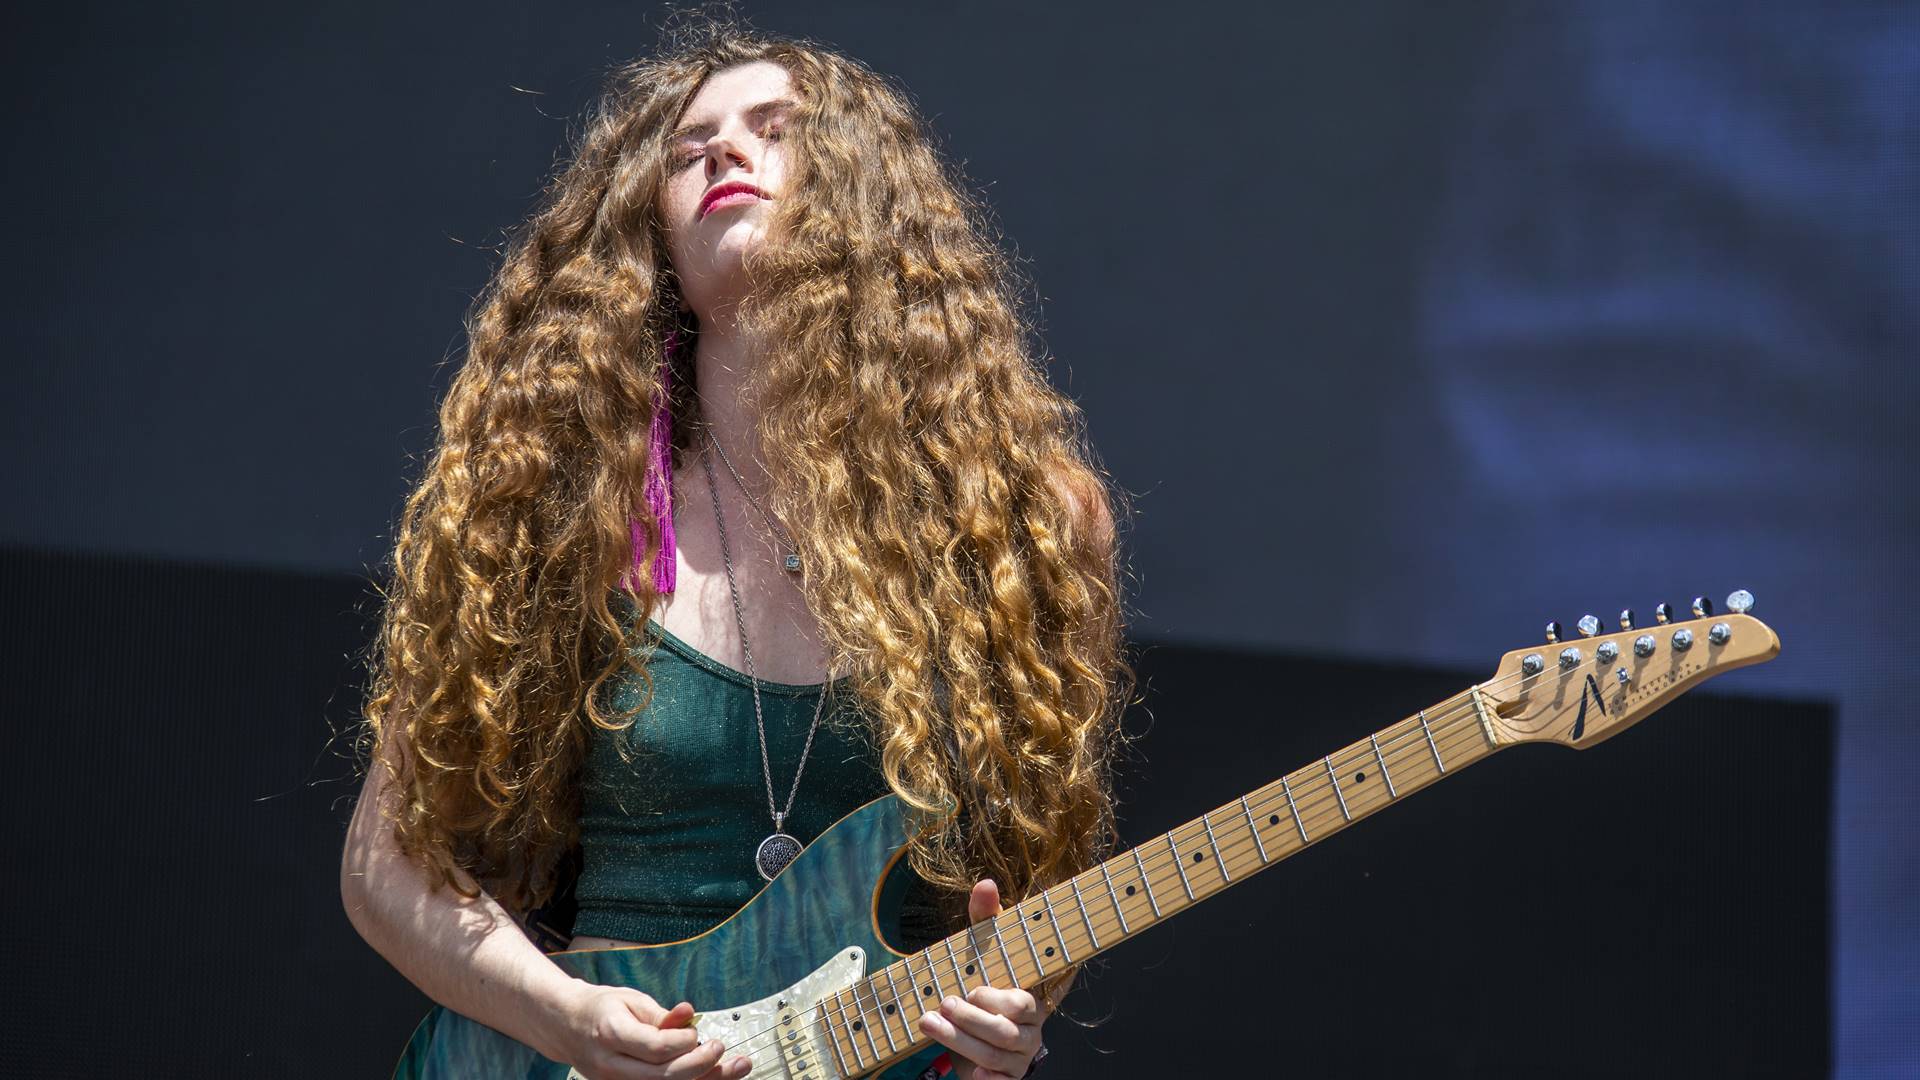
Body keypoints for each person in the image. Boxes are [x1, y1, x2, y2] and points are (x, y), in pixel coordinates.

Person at [340, 16, 1134, 1080]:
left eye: (774, 127)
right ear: (648, 231)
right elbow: (386, 865)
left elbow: (1035, 895)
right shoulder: (552, 502)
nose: (723, 151)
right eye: (686, 147)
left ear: (862, 189)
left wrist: (1009, 1031)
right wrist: (563, 1017)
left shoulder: (1027, 523)